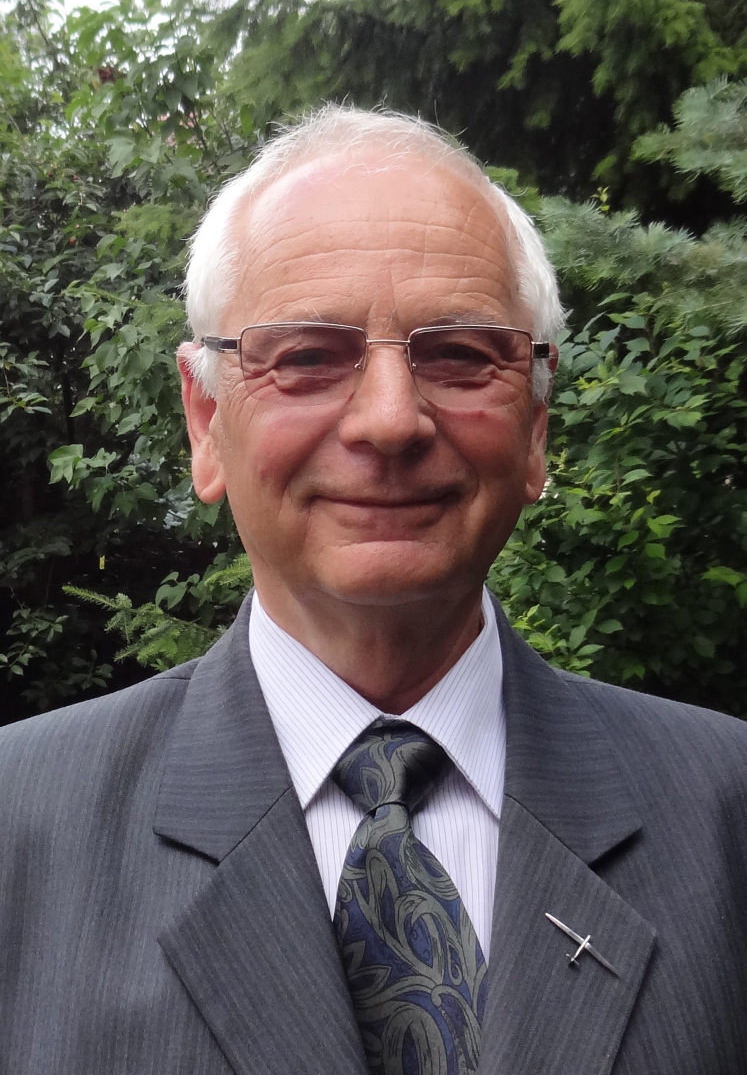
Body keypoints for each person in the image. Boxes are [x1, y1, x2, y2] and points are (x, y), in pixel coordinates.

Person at [0, 105, 745, 1075]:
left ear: (534, 429)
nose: (391, 421)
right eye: (306, 357)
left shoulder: (726, 813)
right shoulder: (19, 828)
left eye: (459, 355)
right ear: (205, 422)